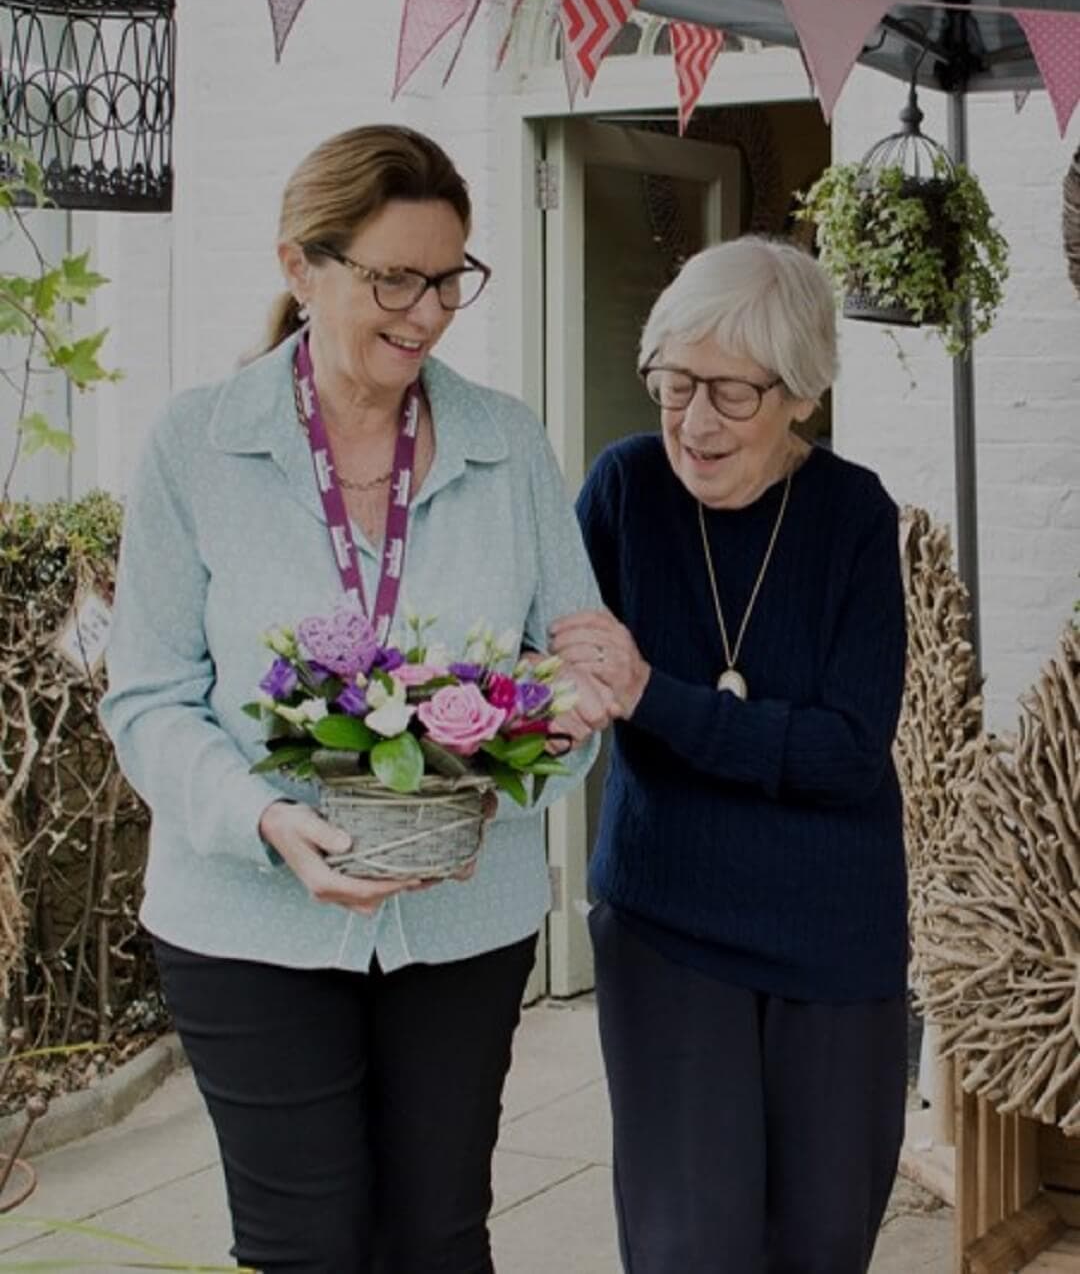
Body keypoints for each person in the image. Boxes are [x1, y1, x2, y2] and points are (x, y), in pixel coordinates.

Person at [100, 124, 603, 1274]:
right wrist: (264, 821)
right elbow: (150, 699)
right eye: (394, 278)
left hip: (463, 924)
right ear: (299, 267)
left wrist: (554, 739)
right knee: (307, 1246)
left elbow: (569, 662)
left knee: (438, 1235)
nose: (426, 313)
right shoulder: (197, 445)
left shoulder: (506, 443)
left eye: (447, 279)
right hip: (246, 922)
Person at [550, 235, 909, 1274]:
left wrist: (654, 696)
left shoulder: (852, 515)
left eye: (730, 394)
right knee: (688, 1249)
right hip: (668, 920)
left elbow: (847, 752)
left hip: (831, 936)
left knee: (823, 1242)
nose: (694, 423)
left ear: (800, 393)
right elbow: (564, 673)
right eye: (675, 385)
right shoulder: (624, 491)